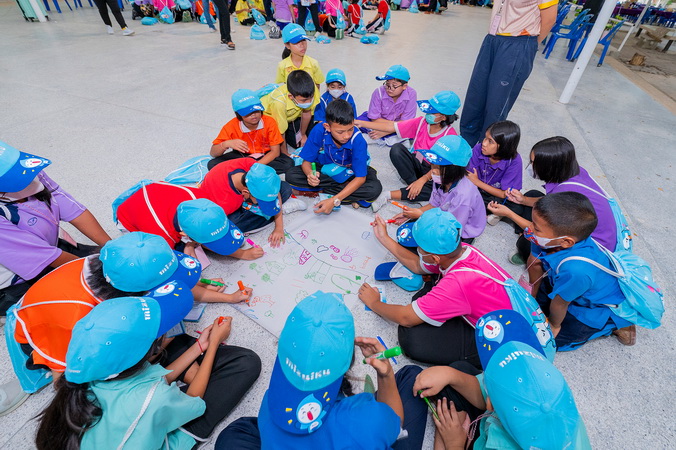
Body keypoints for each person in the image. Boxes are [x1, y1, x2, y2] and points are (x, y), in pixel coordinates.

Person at [35, 293, 261, 449]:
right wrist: (213, 345)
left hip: (142, 411)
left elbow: (149, 382)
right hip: (162, 430)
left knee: (183, 347)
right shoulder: (152, 398)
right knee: (247, 363)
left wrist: (199, 346)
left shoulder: (88, 369)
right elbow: (193, 400)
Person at [214, 291, 429, 449]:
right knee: (411, 376)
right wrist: (386, 374)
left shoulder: (270, 401)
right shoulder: (367, 419)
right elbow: (395, 423)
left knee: (236, 432)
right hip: (363, 432)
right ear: (350, 361)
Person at [410, 309, 591, 449]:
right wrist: (450, 375)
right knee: (458, 372)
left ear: (490, 404)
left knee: (448, 411)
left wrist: (454, 443)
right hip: (500, 425)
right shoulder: (560, 406)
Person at [358, 209, 512, 366]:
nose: (418, 250)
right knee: (427, 291)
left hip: (499, 344)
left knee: (412, 338)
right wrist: (383, 237)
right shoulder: (461, 249)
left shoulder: (456, 284)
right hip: (495, 312)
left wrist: (374, 303)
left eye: (420, 248)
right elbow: (418, 265)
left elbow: (406, 318)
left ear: (435, 258)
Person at [0, 142, 111, 316]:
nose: (25, 176)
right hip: (16, 281)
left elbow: (68, 205)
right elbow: (43, 256)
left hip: (47, 246)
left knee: (106, 261)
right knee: (89, 302)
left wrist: (112, 247)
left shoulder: (25, 169)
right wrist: (98, 275)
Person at [518, 192, 636, 349]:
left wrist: (554, 325)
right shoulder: (548, 238)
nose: (530, 228)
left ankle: (614, 325)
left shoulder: (577, 270)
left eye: (536, 228)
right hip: (566, 283)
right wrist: (531, 295)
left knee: (546, 342)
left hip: (594, 305)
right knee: (529, 310)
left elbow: (560, 303)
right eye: (533, 222)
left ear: (566, 242)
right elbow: (535, 264)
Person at [487, 136, 619, 264]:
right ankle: (522, 231)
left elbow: (550, 231)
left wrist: (509, 213)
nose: (530, 166)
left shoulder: (567, 193)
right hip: (581, 228)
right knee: (532, 195)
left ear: (549, 167)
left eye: (533, 163)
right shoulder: (574, 172)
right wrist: (523, 200)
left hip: (590, 250)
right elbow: (551, 202)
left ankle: (533, 256)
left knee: (526, 244)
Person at [459, 0, 558, 146]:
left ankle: (486, 147)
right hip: (493, 38)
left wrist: (528, 44)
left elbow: (549, 19)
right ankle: (466, 140)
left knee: (496, 102)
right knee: (476, 94)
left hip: (517, 42)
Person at [355, 91, 461, 209]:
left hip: (434, 171)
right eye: (429, 108)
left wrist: (423, 180)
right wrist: (361, 123)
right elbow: (391, 126)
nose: (428, 112)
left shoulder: (450, 137)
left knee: (441, 188)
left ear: (443, 117)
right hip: (416, 163)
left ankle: (389, 195)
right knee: (396, 150)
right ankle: (416, 189)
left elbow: (442, 168)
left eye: (432, 111)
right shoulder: (421, 122)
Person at [115, 182, 262, 261]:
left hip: (155, 193)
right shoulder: (162, 239)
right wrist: (241, 254)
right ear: (184, 234)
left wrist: (190, 244)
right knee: (179, 259)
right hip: (128, 217)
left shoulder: (202, 199)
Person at [285, 99, 383, 212]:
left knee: (374, 188)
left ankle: (323, 192)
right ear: (327, 127)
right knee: (291, 175)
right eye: (340, 132)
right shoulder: (319, 130)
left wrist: (334, 200)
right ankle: (344, 193)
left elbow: (360, 178)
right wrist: (310, 175)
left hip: (350, 171)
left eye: (350, 129)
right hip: (326, 166)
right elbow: (306, 162)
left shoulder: (358, 140)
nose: (346, 136)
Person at [393, 135, 486, 243]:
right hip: (441, 215)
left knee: (420, 246)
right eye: (432, 165)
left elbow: (452, 227)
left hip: (458, 231)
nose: (433, 171)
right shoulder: (442, 179)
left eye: (438, 167)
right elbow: (434, 204)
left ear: (454, 169)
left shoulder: (463, 195)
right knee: (404, 235)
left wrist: (421, 215)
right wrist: (413, 213)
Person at [200, 161, 306, 238]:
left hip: (244, 196)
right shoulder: (225, 203)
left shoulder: (253, 167)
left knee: (285, 187)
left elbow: (271, 187)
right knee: (233, 226)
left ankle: (276, 209)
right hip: (226, 208)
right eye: (260, 200)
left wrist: (279, 227)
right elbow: (211, 228)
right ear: (245, 192)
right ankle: (279, 208)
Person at [209, 89, 292, 174]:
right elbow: (213, 153)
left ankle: (243, 172)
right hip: (242, 155)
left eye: (256, 110)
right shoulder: (231, 126)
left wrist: (256, 165)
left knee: (288, 163)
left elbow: (275, 152)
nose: (253, 115)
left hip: (265, 155)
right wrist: (226, 144)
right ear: (238, 114)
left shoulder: (269, 122)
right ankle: (250, 172)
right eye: (248, 113)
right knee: (213, 164)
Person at [465, 120, 523, 227]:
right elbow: (468, 176)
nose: (484, 143)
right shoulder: (479, 148)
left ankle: (487, 211)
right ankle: (486, 212)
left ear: (504, 146)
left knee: (516, 206)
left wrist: (477, 182)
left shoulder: (514, 161)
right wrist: (474, 183)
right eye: (485, 138)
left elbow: (505, 194)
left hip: (495, 195)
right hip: (476, 189)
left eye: (490, 141)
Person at [357, 65, 418, 147]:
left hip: (398, 124)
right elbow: (374, 118)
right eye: (387, 84)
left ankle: (381, 137)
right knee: (362, 120)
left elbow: (406, 122)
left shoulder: (411, 94)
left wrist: (385, 131)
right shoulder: (378, 92)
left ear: (404, 86)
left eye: (394, 86)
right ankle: (393, 139)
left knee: (413, 127)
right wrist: (393, 127)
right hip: (381, 122)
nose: (389, 88)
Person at [261, 70, 320, 154]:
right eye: (304, 100)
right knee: (284, 148)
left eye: (311, 98)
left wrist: (303, 135)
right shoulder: (279, 103)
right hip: (273, 118)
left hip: (294, 114)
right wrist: (286, 154)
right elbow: (281, 132)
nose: (309, 102)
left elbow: (307, 112)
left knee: (313, 140)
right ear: (291, 96)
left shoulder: (310, 89)